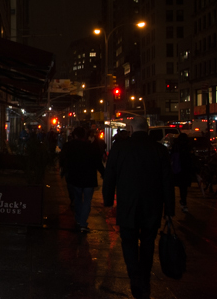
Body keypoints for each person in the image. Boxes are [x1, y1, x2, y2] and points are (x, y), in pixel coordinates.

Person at [102, 116, 175, 299]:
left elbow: (110, 176)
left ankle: (135, 277)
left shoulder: (120, 148)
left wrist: (108, 200)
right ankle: (144, 277)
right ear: (147, 129)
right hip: (152, 205)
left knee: (129, 242)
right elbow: (167, 182)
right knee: (148, 243)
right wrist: (169, 209)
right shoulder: (159, 150)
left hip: (128, 204)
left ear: (131, 129)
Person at [59, 126, 104, 232]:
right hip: (89, 178)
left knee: (78, 199)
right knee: (87, 201)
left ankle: (79, 220)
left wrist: (64, 171)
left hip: (75, 177)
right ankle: (83, 223)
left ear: (74, 135)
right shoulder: (91, 147)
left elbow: (63, 159)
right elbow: (98, 162)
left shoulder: (69, 146)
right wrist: (104, 173)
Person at [170, 133, 199, 213]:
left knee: (175, 187)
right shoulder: (188, 147)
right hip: (185, 170)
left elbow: (171, 157)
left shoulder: (176, 146)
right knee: (184, 188)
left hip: (177, 169)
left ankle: (173, 205)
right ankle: (183, 201)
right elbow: (191, 159)